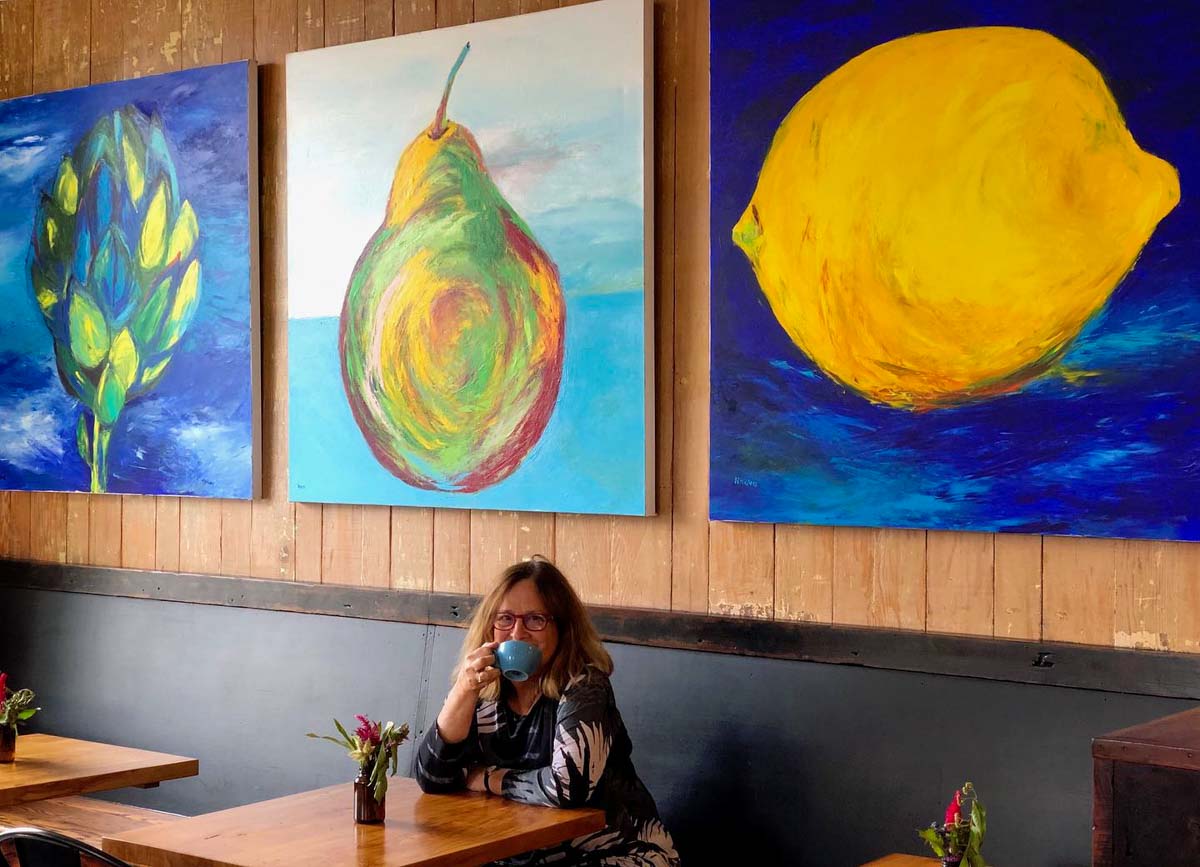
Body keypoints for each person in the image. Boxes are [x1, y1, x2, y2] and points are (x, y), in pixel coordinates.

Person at [415, 556, 680, 866]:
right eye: (505, 619)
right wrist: (463, 689)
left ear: (562, 627)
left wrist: (486, 779)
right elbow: (433, 777)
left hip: (616, 855)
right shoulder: (485, 692)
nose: (517, 633)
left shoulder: (584, 687)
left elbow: (568, 789)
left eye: (535, 619)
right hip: (520, 855)